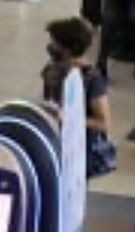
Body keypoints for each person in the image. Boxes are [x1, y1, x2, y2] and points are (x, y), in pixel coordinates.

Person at [41, 17, 115, 178]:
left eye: (55, 42)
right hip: (53, 143)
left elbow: (103, 123)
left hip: (79, 151)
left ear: (67, 48)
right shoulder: (51, 70)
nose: (50, 47)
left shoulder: (91, 79)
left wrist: (69, 118)